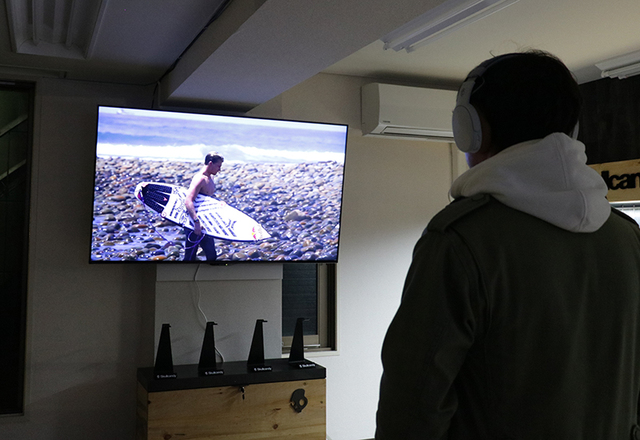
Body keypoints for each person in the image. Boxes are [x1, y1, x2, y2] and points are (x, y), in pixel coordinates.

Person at [375, 51, 640, 439]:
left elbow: (413, 409)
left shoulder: (459, 239)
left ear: (471, 129)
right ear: (573, 130)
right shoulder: (627, 237)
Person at [183, 152, 224, 261]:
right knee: (189, 258)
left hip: (205, 222)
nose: (219, 170)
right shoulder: (200, 179)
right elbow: (188, 201)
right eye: (218, 166)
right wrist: (196, 222)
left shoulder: (210, 178)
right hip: (194, 224)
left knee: (212, 256)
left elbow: (205, 199)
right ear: (210, 164)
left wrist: (219, 203)